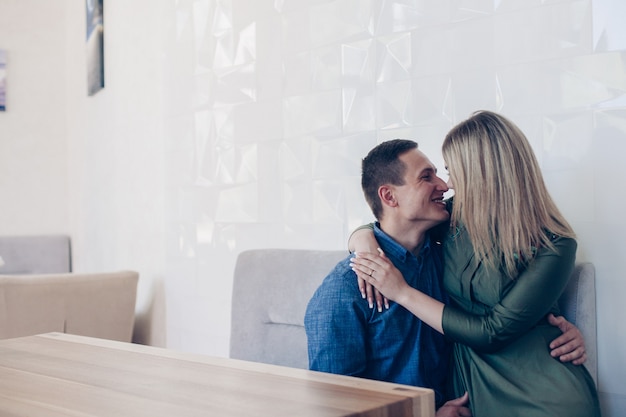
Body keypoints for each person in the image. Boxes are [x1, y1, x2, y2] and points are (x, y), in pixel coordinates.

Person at [305, 138, 585, 417]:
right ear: (390, 197)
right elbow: (335, 405)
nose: (444, 185)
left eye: (443, 173)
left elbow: (493, 313)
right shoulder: (346, 288)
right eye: (427, 177)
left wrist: (557, 328)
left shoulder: (445, 261)